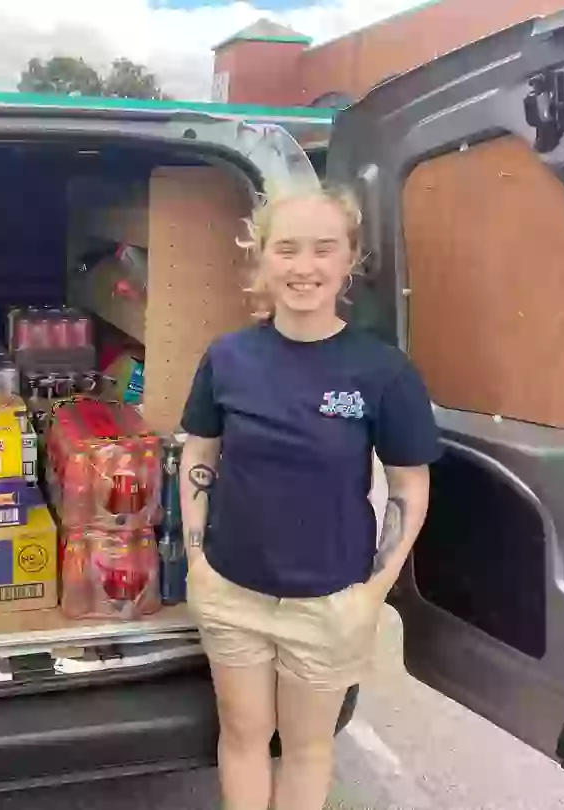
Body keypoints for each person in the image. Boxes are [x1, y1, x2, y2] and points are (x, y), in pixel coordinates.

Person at [179, 185, 440, 810]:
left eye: (324, 249)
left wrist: (372, 596)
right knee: (243, 735)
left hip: (329, 604)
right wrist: (196, 560)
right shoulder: (227, 358)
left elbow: (409, 485)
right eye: (287, 249)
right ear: (262, 259)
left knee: (306, 749)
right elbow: (199, 452)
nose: (305, 267)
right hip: (232, 592)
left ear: (349, 260)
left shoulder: (382, 371)